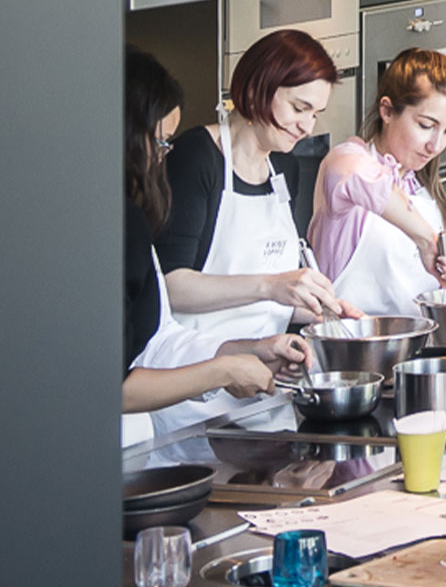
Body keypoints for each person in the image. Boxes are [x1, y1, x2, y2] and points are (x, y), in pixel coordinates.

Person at [122, 47, 308, 443]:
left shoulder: (284, 170)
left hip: (225, 412)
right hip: (152, 433)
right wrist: (223, 370)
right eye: (159, 142)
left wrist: (253, 349)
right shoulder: (193, 163)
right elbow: (108, 384)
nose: (160, 159)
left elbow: (158, 338)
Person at [157, 29, 356, 349]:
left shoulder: (284, 168)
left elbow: (265, 297)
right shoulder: (196, 158)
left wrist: (317, 310)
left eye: (315, 114)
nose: (308, 127)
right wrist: (273, 286)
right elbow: (170, 286)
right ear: (254, 92)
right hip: (196, 376)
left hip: (269, 369)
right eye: (299, 108)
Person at [310, 49, 446, 315]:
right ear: (387, 111)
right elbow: (373, 185)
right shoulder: (344, 162)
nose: (436, 145)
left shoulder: (424, 188)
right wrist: (427, 241)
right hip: (358, 348)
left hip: (425, 345)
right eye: (425, 125)